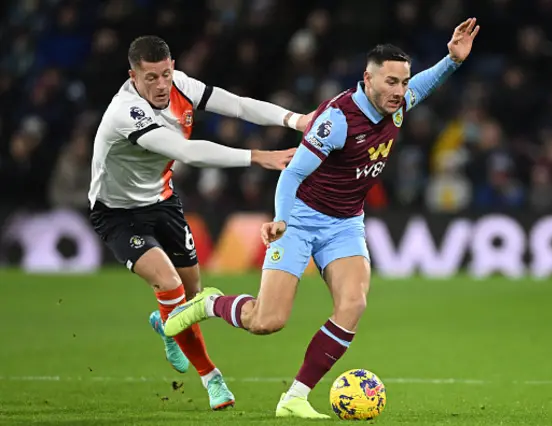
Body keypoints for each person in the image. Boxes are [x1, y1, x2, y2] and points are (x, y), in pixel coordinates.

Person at [164, 18, 480, 418]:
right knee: (267, 320)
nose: (400, 91)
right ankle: (209, 304)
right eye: (391, 82)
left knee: (353, 304)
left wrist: (452, 60)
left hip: (345, 223)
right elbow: (293, 171)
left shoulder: (397, 105)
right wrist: (280, 218)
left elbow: (426, 85)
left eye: (403, 82)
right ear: (368, 79)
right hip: (300, 218)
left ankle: (295, 396)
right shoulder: (338, 120)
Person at [88, 35, 311, 411]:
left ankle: (167, 323)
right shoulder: (125, 112)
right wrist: (259, 156)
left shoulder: (181, 86)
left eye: (165, 74)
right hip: (117, 213)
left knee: (190, 300)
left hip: (163, 202)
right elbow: (186, 151)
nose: (161, 85)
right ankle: (212, 378)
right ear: (133, 76)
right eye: (151, 78)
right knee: (170, 284)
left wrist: (294, 119)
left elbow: (238, 106)